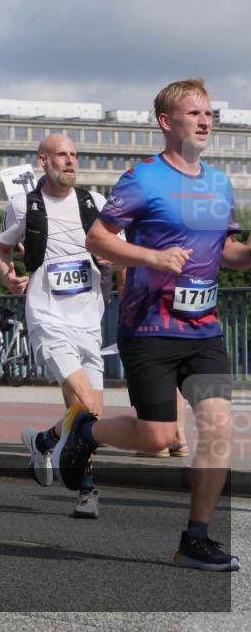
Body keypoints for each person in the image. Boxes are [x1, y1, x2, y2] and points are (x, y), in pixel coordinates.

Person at [57, 78, 249, 570]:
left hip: (203, 328)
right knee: (159, 438)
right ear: (167, 122)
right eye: (195, 113)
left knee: (218, 429)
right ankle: (86, 432)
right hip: (149, 328)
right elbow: (98, 239)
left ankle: (196, 538)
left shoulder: (221, 184)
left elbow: (228, 253)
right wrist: (153, 257)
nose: (206, 122)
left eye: (210, 114)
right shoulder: (144, 179)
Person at [0, 133, 118, 518]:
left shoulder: (94, 203)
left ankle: (44, 442)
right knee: (83, 401)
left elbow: (116, 250)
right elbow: (1, 251)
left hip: (89, 318)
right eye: (61, 155)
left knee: (91, 413)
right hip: (48, 317)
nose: (70, 161)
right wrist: (9, 276)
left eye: (74, 155)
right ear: (43, 161)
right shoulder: (23, 205)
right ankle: (87, 490)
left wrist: (117, 274)